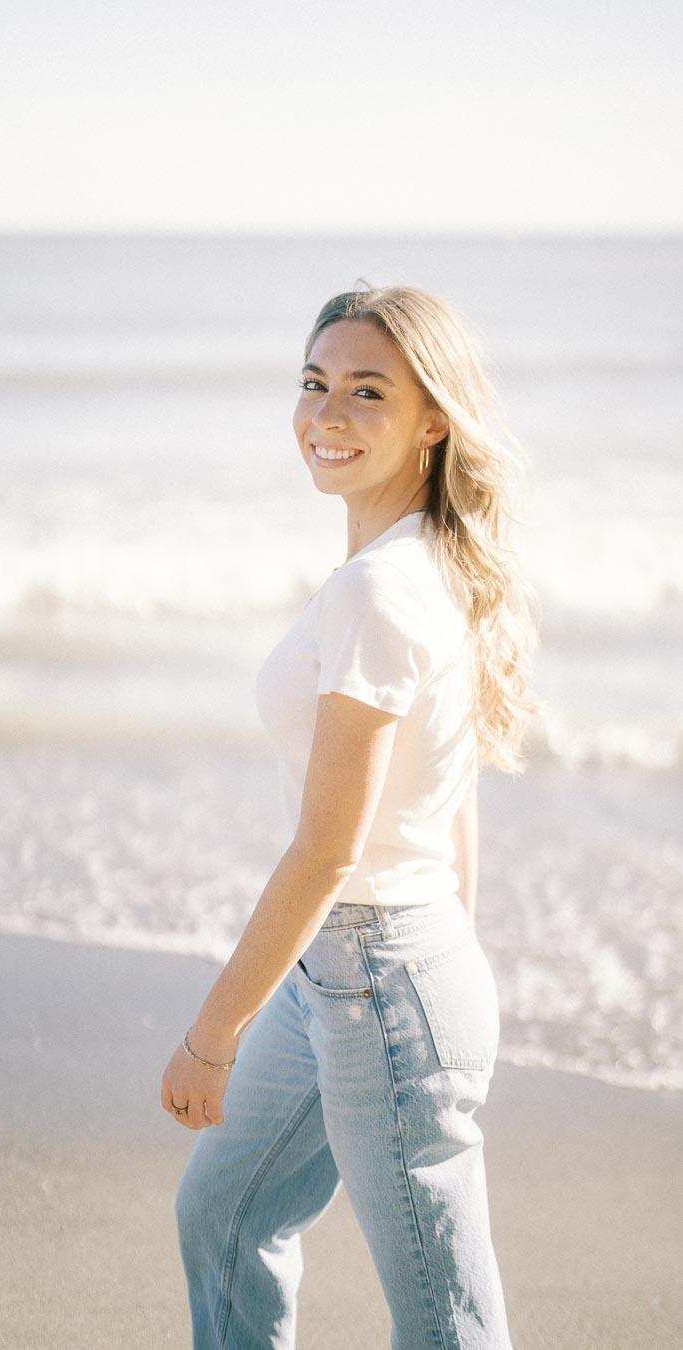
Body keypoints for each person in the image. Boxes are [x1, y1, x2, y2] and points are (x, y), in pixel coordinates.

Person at [160, 283, 541, 1348]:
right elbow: (450, 795)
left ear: (433, 419)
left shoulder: (384, 590)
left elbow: (328, 847)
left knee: (445, 1324)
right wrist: (446, 953)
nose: (326, 414)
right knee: (224, 1213)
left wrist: (211, 1036)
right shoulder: (413, 564)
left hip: (382, 981)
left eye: (366, 391)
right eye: (314, 383)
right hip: (367, 974)